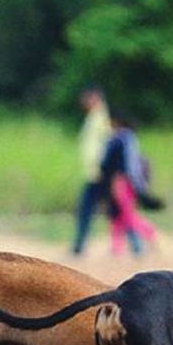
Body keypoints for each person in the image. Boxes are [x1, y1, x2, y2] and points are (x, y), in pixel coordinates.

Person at [99, 110, 161, 257]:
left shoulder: (121, 138)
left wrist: (117, 181)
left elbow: (123, 164)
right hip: (127, 181)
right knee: (117, 214)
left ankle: (154, 236)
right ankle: (116, 248)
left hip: (122, 180)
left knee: (127, 214)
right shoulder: (128, 138)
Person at [70, 87, 113, 255]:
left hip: (99, 173)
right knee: (115, 211)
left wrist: (105, 168)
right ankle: (79, 246)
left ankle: (79, 247)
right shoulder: (94, 117)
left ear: (95, 99)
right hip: (94, 173)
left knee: (87, 210)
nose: (84, 102)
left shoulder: (101, 118)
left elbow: (109, 143)